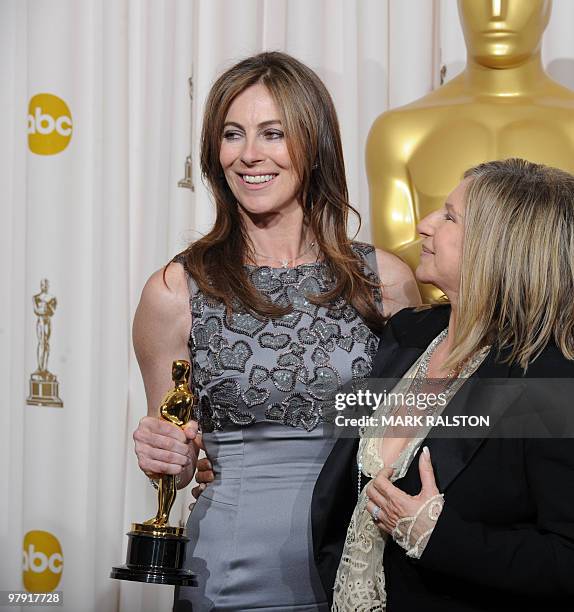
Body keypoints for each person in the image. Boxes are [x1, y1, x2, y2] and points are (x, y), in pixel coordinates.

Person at [131, 51, 420, 611]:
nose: (249, 155)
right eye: (232, 134)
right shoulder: (175, 291)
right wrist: (165, 452)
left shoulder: (385, 280)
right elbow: (179, 453)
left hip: (365, 560)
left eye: (273, 133)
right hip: (234, 570)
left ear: (314, 145)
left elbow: (416, 430)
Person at [312, 158, 574, 611]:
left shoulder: (548, 377)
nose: (424, 224)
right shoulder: (408, 334)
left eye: (450, 216)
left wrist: (438, 536)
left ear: (498, 248)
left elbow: (566, 559)